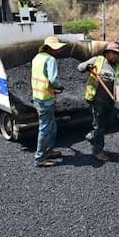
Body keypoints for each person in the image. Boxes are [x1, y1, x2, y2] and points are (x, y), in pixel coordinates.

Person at [77, 42, 119, 162]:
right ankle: (97, 151)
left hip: (110, 100)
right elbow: (80, 67)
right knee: (99, 125)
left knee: (108, 124)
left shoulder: (118, 68)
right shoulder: (97, 60)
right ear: (107, 53)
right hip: (96, 99)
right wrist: (86, 67)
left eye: (117, 54)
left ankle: (92, 136)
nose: (114, 56)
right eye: (112, 53)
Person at [31, 36, 70, 167]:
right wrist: (59, 86)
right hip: (45, 99)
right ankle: (39, 158)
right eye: (56, 48)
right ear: (50, 48)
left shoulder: (37, 58)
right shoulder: (50, 59)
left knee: (51, 126)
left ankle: (48, 150)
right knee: (45, 128)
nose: (58, 51)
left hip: (37, 96)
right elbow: (53, 79)